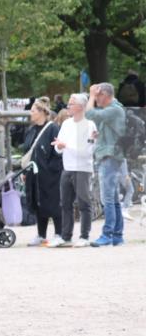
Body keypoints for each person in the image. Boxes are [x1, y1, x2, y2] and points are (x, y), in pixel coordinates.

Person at [48, 93, 96, 247]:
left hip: (82, 168)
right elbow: (58, 146)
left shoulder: (90, 125)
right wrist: (60, 146)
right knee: (65, 203)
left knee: (83, 202)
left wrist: (66, 146)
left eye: (71, 104)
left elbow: (87, 151)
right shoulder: (66, 124)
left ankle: (84, 236)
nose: (68, 106)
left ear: (81, 106)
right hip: (67, 167)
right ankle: (66, 235)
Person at [85, 82, 127, 246]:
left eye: (99, 95)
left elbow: (89, 114)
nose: (97, 99)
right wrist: (100, 134)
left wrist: (91, 95)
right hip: (110, 155)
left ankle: (107, 234)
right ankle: (117, 235)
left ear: (107, 95)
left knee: (107, 198)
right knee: (114, 198)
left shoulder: (114, 109)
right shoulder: (113, 110)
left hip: (110, 157)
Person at [21, 99, 62, 246]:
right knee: (38, 202)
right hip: (34, 172)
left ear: (42, 112)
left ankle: (59, 233)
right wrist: (26, 172)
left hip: (50, 173)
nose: (30, 113)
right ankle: (41, 234)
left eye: (33, 110)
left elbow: (58, 152)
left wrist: (51, 169)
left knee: (54, 202)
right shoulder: (31, 130)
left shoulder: (53, 128)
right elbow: (27, 150)